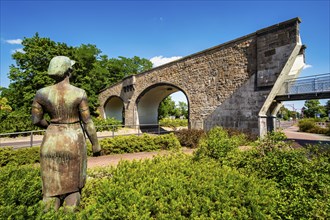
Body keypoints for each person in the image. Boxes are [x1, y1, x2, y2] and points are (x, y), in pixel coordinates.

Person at [32, 56, 101, 211]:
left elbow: (36, 120)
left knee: (50, 194)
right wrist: (96, 144)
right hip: (73, 141)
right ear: (69, 71)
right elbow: (87, 122)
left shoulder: (41, 93)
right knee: (72, 192)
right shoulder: (79, 93)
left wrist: (50, 125)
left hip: (50, 141)